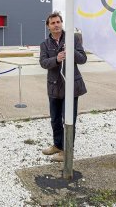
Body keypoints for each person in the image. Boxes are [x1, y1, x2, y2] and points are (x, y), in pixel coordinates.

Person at [39, 11, 87, 162]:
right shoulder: (45, 44)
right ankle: (58, 146)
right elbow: (43, 63)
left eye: (58, 22)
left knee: (69, 119)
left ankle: (68, 151)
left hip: (71, 86)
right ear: (48, 26)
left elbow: (83, 59)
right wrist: (57, 59)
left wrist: (71, 51)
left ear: (61, 23)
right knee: (55, 119)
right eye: (52, 23)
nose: (56, 25)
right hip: (54, 87)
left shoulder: (73, 39)